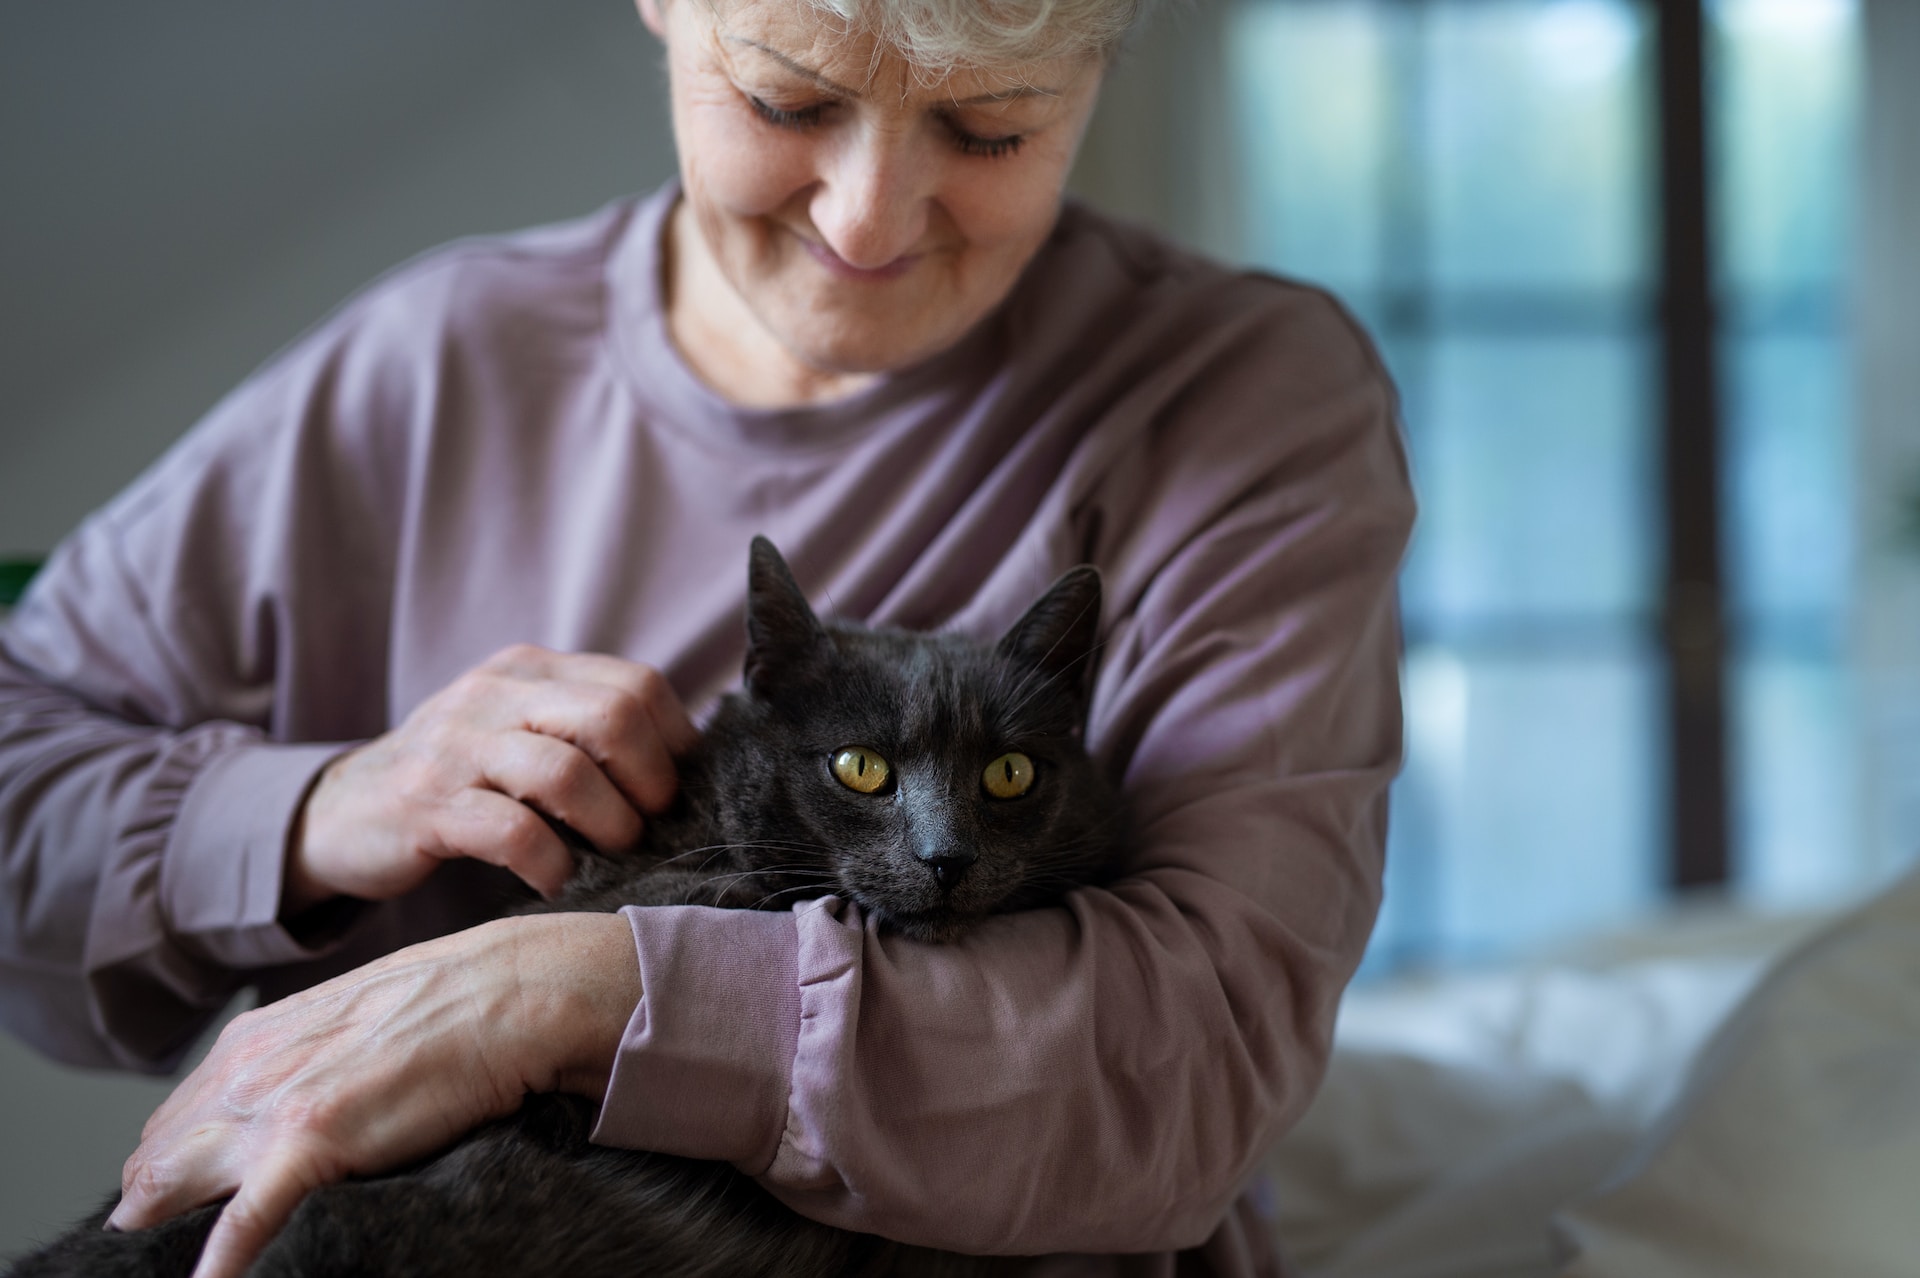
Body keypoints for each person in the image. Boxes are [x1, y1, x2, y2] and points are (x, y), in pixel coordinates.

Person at [0, 0, 1413, 1274]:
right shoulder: (435, 365)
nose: (867, 219)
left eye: (990, 124)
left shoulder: (1240, 403)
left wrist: (572, 989)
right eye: (790, 103)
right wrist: (308, 805)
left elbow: (1195, 1061)